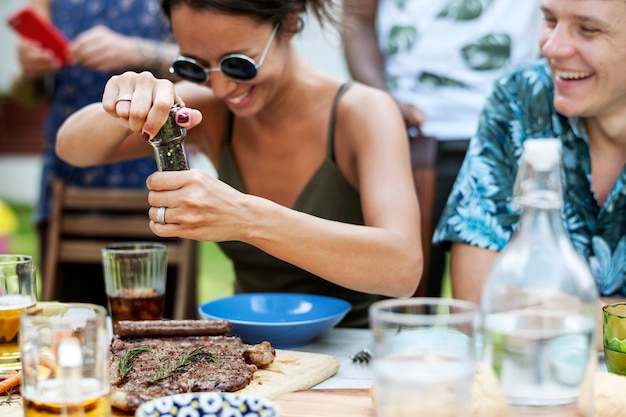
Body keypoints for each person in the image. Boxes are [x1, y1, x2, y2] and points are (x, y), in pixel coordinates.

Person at [55, 0, 423, 327]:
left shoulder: (362, 112)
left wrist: (245, 218)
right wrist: (124, 105)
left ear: (290, 23)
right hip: (248, 353)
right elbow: (72, 149)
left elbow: (402, 268)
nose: (221, 88)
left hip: (352, 352)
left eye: (238, 63)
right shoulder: (213, 112)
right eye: (196, 67)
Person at [342, 0, 543, 297]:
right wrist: (382, 101)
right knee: (404, 295)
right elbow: (356, 15)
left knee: (509, 294)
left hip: (512, 132)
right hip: (411, 134)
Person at [433, 0, 626, 308]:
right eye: (549, 21)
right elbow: (476, 299)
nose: (552, 47)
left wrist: (580, 315)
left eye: (588, 30)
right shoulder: (521, 97)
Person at [11, 0, 179, 306]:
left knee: (154, 312)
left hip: (152, 179)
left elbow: (207, 68)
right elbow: (27, 94)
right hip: (69, 182)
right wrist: (30, 71)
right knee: (70, 316)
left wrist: (136, 53)